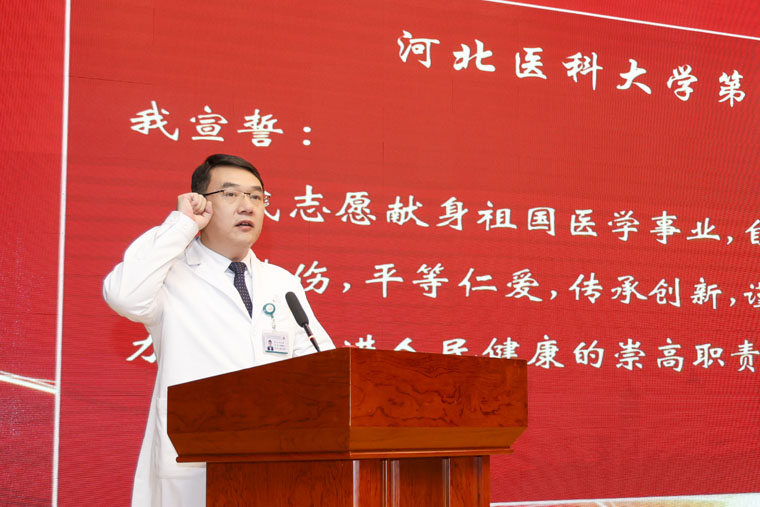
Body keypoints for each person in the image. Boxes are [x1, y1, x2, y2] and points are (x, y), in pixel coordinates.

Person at [103, 154, 334, 506]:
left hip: (273, 467)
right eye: (230, 194)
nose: (247, 205)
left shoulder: (282, 283)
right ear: (202, 204)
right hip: (193, 468)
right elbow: (124, 295)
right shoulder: (170, 273)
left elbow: (322, 368)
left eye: (256, 196)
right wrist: (182, 224)